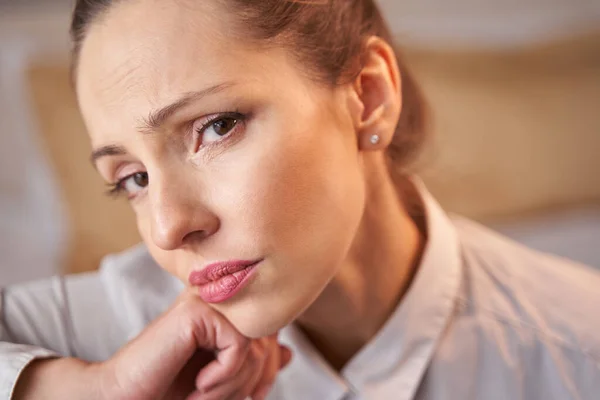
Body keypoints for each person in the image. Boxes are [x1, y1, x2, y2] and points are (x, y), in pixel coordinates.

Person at [2, 0, 599, 399]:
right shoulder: (112, 331)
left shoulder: (576, 351)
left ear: (369, 97)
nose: (166, 227)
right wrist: (85, 390)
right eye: (132, 178)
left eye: (215, 127)